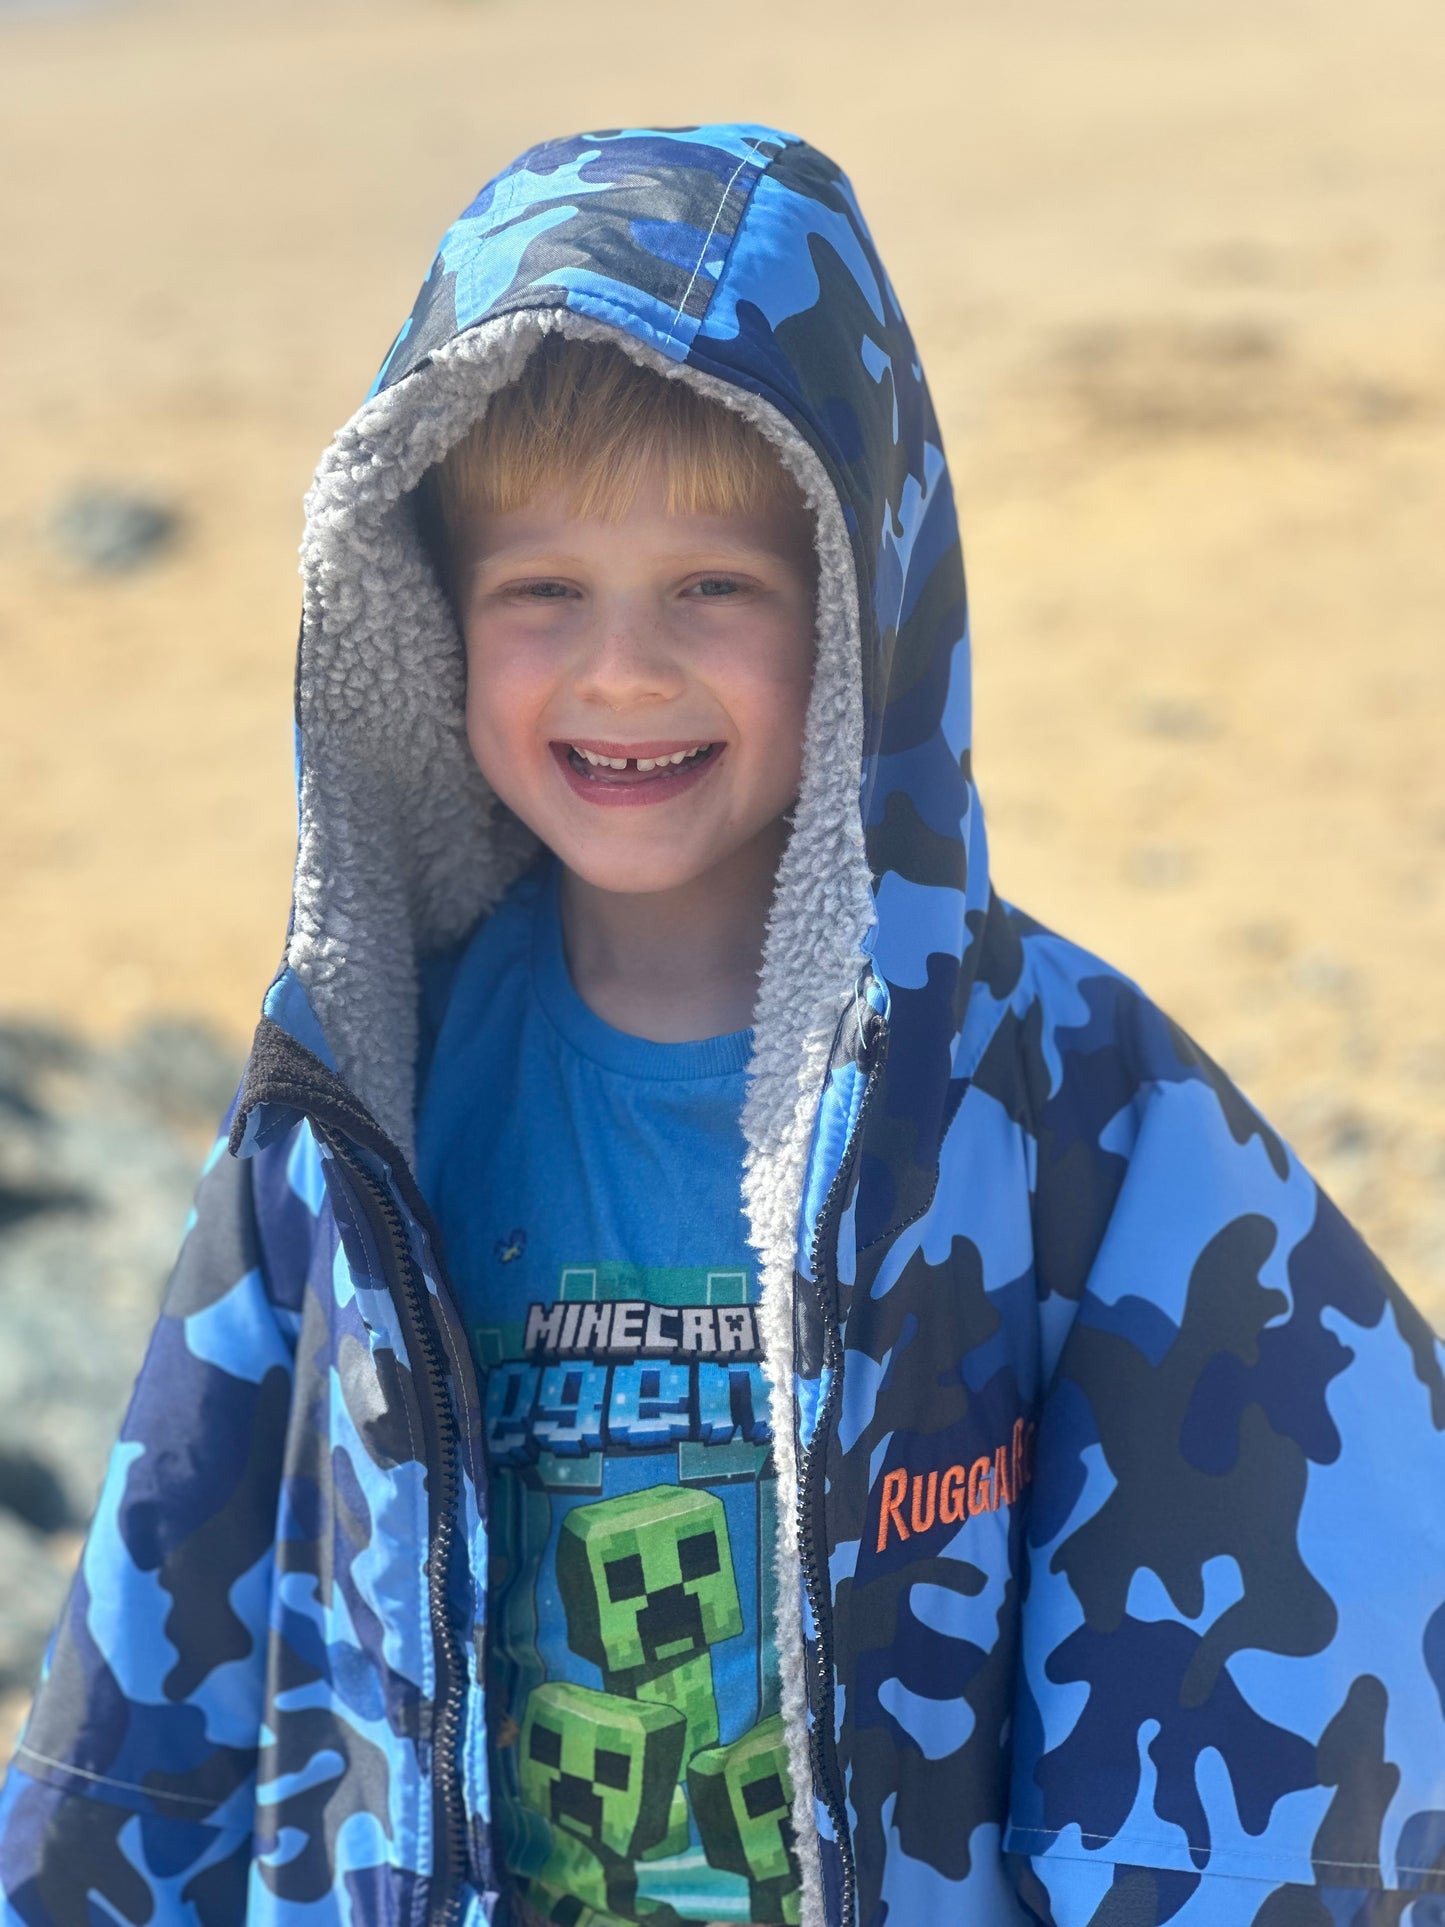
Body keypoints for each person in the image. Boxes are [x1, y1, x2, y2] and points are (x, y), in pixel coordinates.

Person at [0, 123, 1441, 1927]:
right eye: (542, 592)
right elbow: (177, 1597)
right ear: (430, 621)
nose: (621, 670)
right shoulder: (371, 1085)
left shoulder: (1040, 1082)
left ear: (857, 616)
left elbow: (1330, 1519)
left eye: (713, 587)